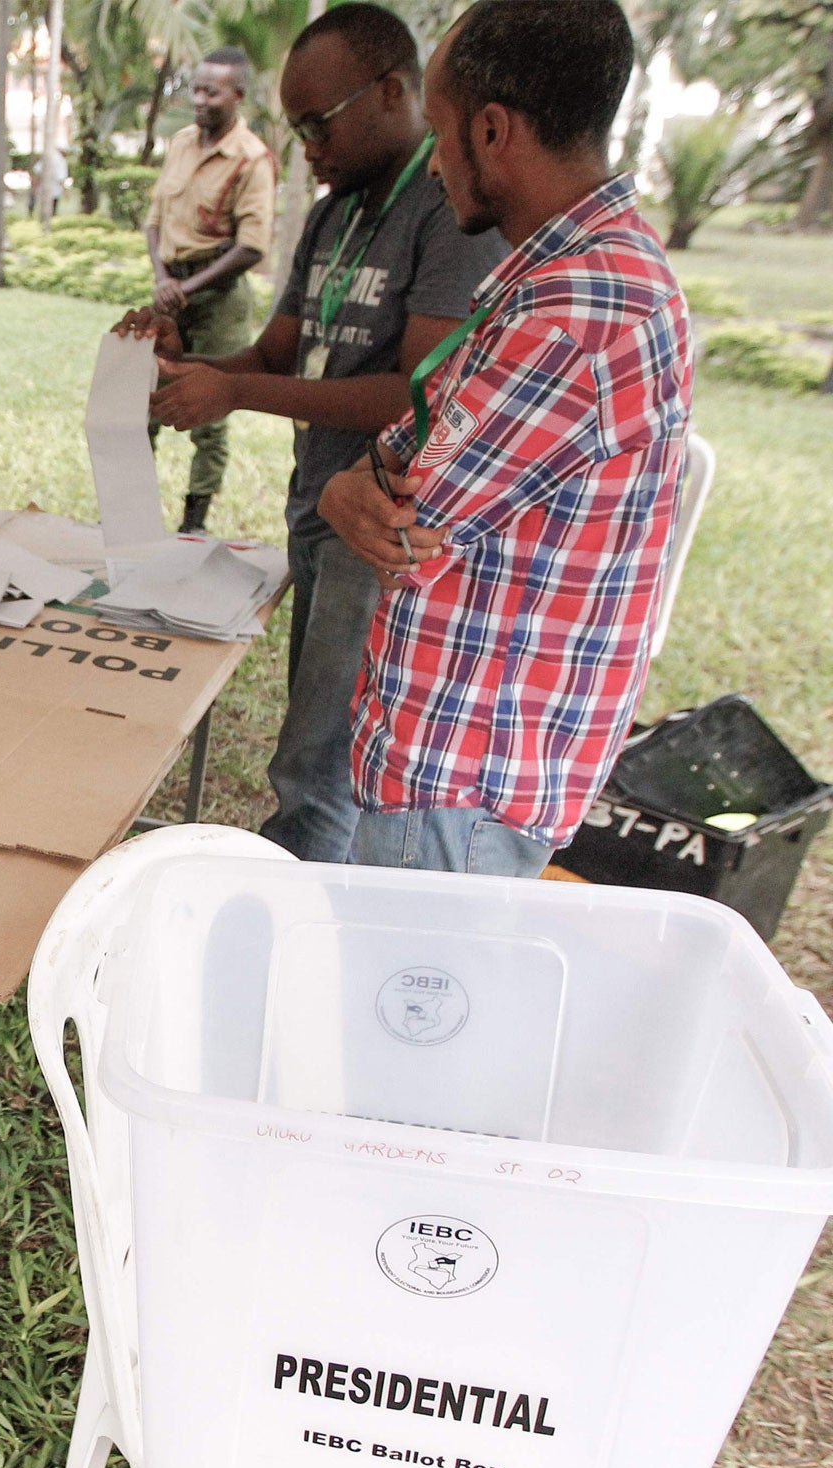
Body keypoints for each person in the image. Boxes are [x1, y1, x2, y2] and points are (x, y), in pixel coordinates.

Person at [118, 4, 508, 863]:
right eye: (294, 128)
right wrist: (196, 368)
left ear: (394, 91)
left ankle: (299, 916)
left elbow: (417, 397)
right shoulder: (335, 218)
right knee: (314, 729)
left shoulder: (446, 217)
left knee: (320, 761)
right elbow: (277, 351)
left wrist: (238, 391)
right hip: (319, 507)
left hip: (379, 515)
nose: (307, 149)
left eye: (316, 125)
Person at [316, 0, 690, 877]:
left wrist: (348, 490)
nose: (433, 163)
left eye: (439, 133)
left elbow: (407, 509)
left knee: (407, 1005)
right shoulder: (561, 279)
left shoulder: (575, 313)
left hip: (465, 777)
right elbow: (406, 441)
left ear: (491, 131)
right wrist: (349, 485)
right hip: (471, 762)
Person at [141, 45, 277, 534]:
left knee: (209, 414)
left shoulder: (251, 160)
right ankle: (131, 512)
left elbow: (252, 247)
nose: (199, 99)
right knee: (144, 400)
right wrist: (162, 281)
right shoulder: (180, 142)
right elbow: (154, 221)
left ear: (237, 96)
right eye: (195, 89)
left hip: (218, 297)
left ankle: (192, 524)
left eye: (211, 92)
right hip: (169, 292)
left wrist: (187, 287)